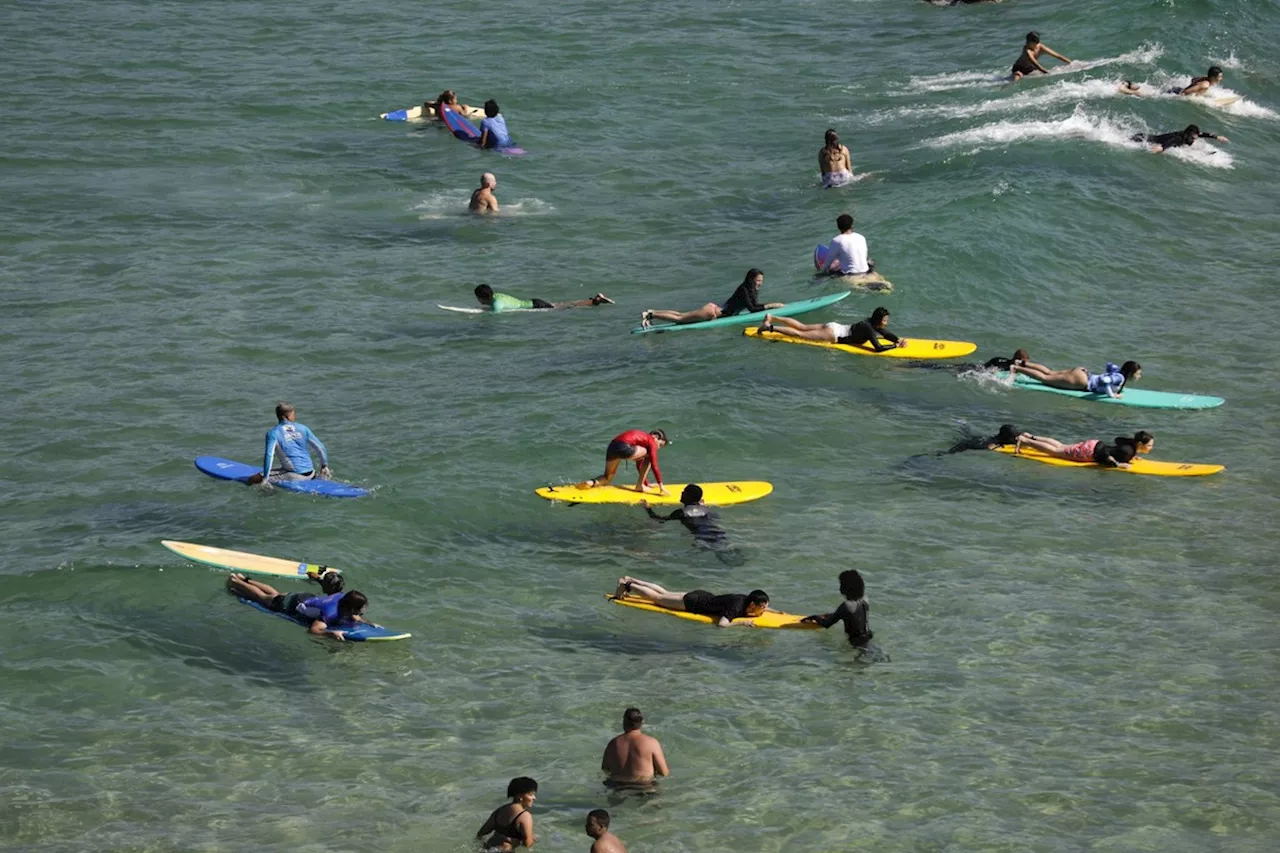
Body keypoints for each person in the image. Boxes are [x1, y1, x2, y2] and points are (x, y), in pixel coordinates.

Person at [225, 572, 371, 640]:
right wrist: (330, 634)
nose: (361, 612)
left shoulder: (343, 598)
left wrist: (367, 623)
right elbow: (313, 630)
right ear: (350, 607)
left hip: (307, 597)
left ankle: (246, 579)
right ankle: (236, 582)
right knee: (263, 598)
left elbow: (354, 615)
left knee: (275, 593)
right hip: (290, 603)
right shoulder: (330, 612)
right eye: (360, 609)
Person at [640, 268, 783, 328]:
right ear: (751, 279)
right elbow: (752, 309)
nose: (760, 283)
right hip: (712, 313)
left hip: (713, 309)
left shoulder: (749, 289)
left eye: (761, 281)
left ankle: (653, 312)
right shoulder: (744, 289)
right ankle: (650, 315)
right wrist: (771, 305)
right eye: (758, 280)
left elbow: (752, 306)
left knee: (681, 315)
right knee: (679, 319)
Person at [613, 577, 770, 627]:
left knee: (664, 593)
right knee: (657, 599)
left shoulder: (745, 598)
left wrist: (776, 612)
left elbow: (762, 607)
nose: (764, 611)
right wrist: (742, 623)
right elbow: (722, 625)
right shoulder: (736, 608)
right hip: (693, 604)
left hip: (701, 595)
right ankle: (627, 585)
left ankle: (629, 579)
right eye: (762, 608)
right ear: (753, 605)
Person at [246, 402, 330, 486]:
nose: (294, 416)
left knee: (252, 479)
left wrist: (265, 478)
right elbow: (320, 447)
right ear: (286, 416)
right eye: (293, 414)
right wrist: (324, 466)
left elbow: (269, 456)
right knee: (282, 468)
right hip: (312, 473)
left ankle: (271, 494)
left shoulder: (273, 433)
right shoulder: (303, 428)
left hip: (295, 476)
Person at [759, 306, 907, 352]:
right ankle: (770, 327)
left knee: (802, 327)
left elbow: (885, 333)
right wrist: (894, 346)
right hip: (832, 334)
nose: (886, 323)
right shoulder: (869, 328)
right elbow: (877, 348)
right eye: (885, 320)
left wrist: (897, 339)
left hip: (834, 326)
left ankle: (772, 316)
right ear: (879, 320)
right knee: (799, 334)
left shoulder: (871, 323)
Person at [577, 429, 669, 494]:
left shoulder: (642, 440)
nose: (658, 448)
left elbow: (639, 466)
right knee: (649, 456)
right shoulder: (651, 441)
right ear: (655, 437)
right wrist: (661, 485)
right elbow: (654, 465)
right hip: (624, 447)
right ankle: (639, 486)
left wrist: (646, 483)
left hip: (612, 446)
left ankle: (590, 483)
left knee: (607, 477)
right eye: (660, 445)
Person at [801, 569, 874, 647]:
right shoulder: (864, 600)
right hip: (868, 637)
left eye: (841, 584)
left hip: (856, 644)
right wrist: (831, 615)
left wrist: (815, 617)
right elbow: (853, 615)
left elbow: (827, 624)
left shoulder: (846, 606)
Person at [640, 485, 727, 548]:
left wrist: (647, 508)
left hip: (703, 537)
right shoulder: (705, 509)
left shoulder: (681, 513)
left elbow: (659, 519)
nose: (682, 493)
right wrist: (700, 505)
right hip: (717, 533)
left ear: (689, 496)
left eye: (684, 492)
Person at [601, 708, 669, 786]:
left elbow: (605, 769)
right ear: (641, 722)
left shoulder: (613, 743)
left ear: (624, 722)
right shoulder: (651, 743)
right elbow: (664, 773)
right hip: (643, 786)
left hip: (617, 787)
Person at [1013, 431, 1150, 469]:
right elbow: (1105, 454)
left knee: (1060, 445)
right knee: (1054, 452)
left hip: (1094, 444)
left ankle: (1030, 436)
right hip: (1089, 452)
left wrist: (1132, 457)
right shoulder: (1128, 450)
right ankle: (1025, 441)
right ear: (1140, 443)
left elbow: (1117, 441)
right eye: (1149, 445)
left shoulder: (1130, 446)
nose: (1151, 447)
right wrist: (1119, 464)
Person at [1011, 359, 1141, 398]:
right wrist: (1112, 395)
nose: (1139, 376)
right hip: (1082, 382)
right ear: (1130, 373)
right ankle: (1016, 369)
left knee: (1050, 372)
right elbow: (1104, 381)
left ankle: (1022, 363)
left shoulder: (1118, 371)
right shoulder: (1119, 378)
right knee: (1045, 378)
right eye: (1137, 373)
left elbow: (1109, 365)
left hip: (1082, 372)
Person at [477, 777, 537, 851]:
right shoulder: (525, 816)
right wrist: (532, 840)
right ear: (520, 796)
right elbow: (527, 845)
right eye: (531, 794)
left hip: (488, 848)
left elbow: (481, 833)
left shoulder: (499, 811)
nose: (534, 798)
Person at [473, 284, 613, 312]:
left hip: (536, 306)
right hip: (534, 302)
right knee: (563, 304)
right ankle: (595, 300)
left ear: (482, 297)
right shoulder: (497, 296)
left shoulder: (497, 304)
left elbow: (495, 313)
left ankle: (595, 301)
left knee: (567, 308)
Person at [1132, 124, 1229, 153]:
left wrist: (1217, 137)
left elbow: (1204, 134)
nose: (1196, 137)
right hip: (1143, 138)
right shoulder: (1179, 138)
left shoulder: (1190, 135)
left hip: (1149, 138)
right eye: (1195, 135)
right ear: (1190, 134)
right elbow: (1171, 142)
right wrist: (1162, 148)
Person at [944, 423, 1024, 454]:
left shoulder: (1003, 438)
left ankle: (963, 425)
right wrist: (948, 452)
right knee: (965, 440)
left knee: (968, 435)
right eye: (1014, 437)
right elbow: (966, 444)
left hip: (982, 438)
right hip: (971, 443)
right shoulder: (993, 444)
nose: (1016, 439)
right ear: (1007, 438)